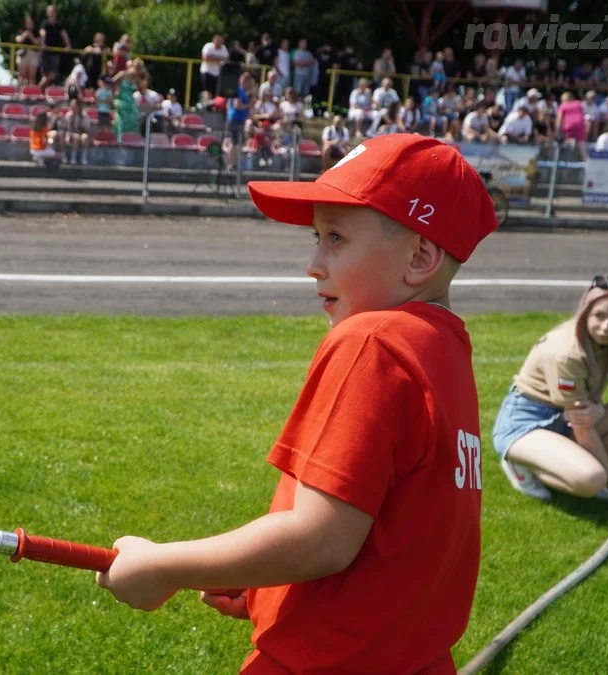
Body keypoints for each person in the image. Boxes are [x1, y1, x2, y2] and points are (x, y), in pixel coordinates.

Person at [96, 133, 497, 675]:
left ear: (420, 257)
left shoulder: (371, 341)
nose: (313, 263)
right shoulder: (444, 348)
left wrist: (163, 566)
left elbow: (321, 538)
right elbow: (388, 539)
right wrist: (270, 589)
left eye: (335, 239)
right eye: (315, 238)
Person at [494, 277, 608, 508]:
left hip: (566, 419)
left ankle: (562, 465)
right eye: (598, 316)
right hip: (526, 425)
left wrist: (598, 409)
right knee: (592, 481)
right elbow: (582, 424)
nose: (606, 327)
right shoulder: (567, 353)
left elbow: (590, 403)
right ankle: (523, 462)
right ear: (586, 313)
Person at [39, 4, 70, 88]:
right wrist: (43, 44)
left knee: (53, 74)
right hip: (46, 52)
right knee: (45, 75)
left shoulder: (59, 24)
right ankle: (40, 91)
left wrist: (68, 46)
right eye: (50, 12)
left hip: (55, 52)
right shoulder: (45, 23)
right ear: (47, 13)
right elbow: (42, 33)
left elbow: (64, 35)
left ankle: (39, 88)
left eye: (53, 11)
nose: (52, 13)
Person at [111, 59, 143, 141]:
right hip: (121, 100)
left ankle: (131, 140)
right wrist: (117, 89)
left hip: (131, 102)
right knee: (122, 120)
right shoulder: (123, 74)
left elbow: (142, 90)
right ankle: (120, 140)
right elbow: (112, 81)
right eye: (137, 68)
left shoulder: (137, 78)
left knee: (134, 118)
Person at [557, 91, 588, 159]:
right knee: (581, 144)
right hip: (580, 125)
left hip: (569, 126)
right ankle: (586, 161)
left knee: (569, 143)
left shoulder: (563, 106)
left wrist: (557, 132)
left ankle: (568, 160)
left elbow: (559, 120)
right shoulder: (579, 103)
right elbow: (584, 114)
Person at [13, 14, 40, 87]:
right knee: (22, 76)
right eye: (28, 22)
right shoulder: (21, 31)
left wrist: (31, 36)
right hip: (23, 54)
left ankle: (31, 94)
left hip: (33, 54)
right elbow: (18, 40)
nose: (29, 24)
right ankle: (20, 92)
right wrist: (25, 35)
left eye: (30, 22)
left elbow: (38, 42)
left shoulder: (36, 32)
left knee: (32, 77)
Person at [62, 97, 90, 164]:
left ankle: (84, 158)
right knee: (76, 137)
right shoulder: (68, 115)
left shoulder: (84, 115)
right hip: (71, 134)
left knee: (85, 137)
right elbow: (67, 129)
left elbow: (87, 128)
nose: (74, 109)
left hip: (81, 133)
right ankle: (73, 158)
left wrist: (82, 130)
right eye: (72, 107)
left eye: (75, 107)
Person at [199, 34, 228, 98]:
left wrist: (213, 58)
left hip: (217, 73)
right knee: (207, 90)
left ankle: (214, 106)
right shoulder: (208, 46)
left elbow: (226, 60)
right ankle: (207, 105)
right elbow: (205, 57)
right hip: (207, 71)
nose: (219, 43)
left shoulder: (223, 48)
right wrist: (219, 58)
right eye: (217, 41)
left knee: (216, 91)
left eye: (220, 41)